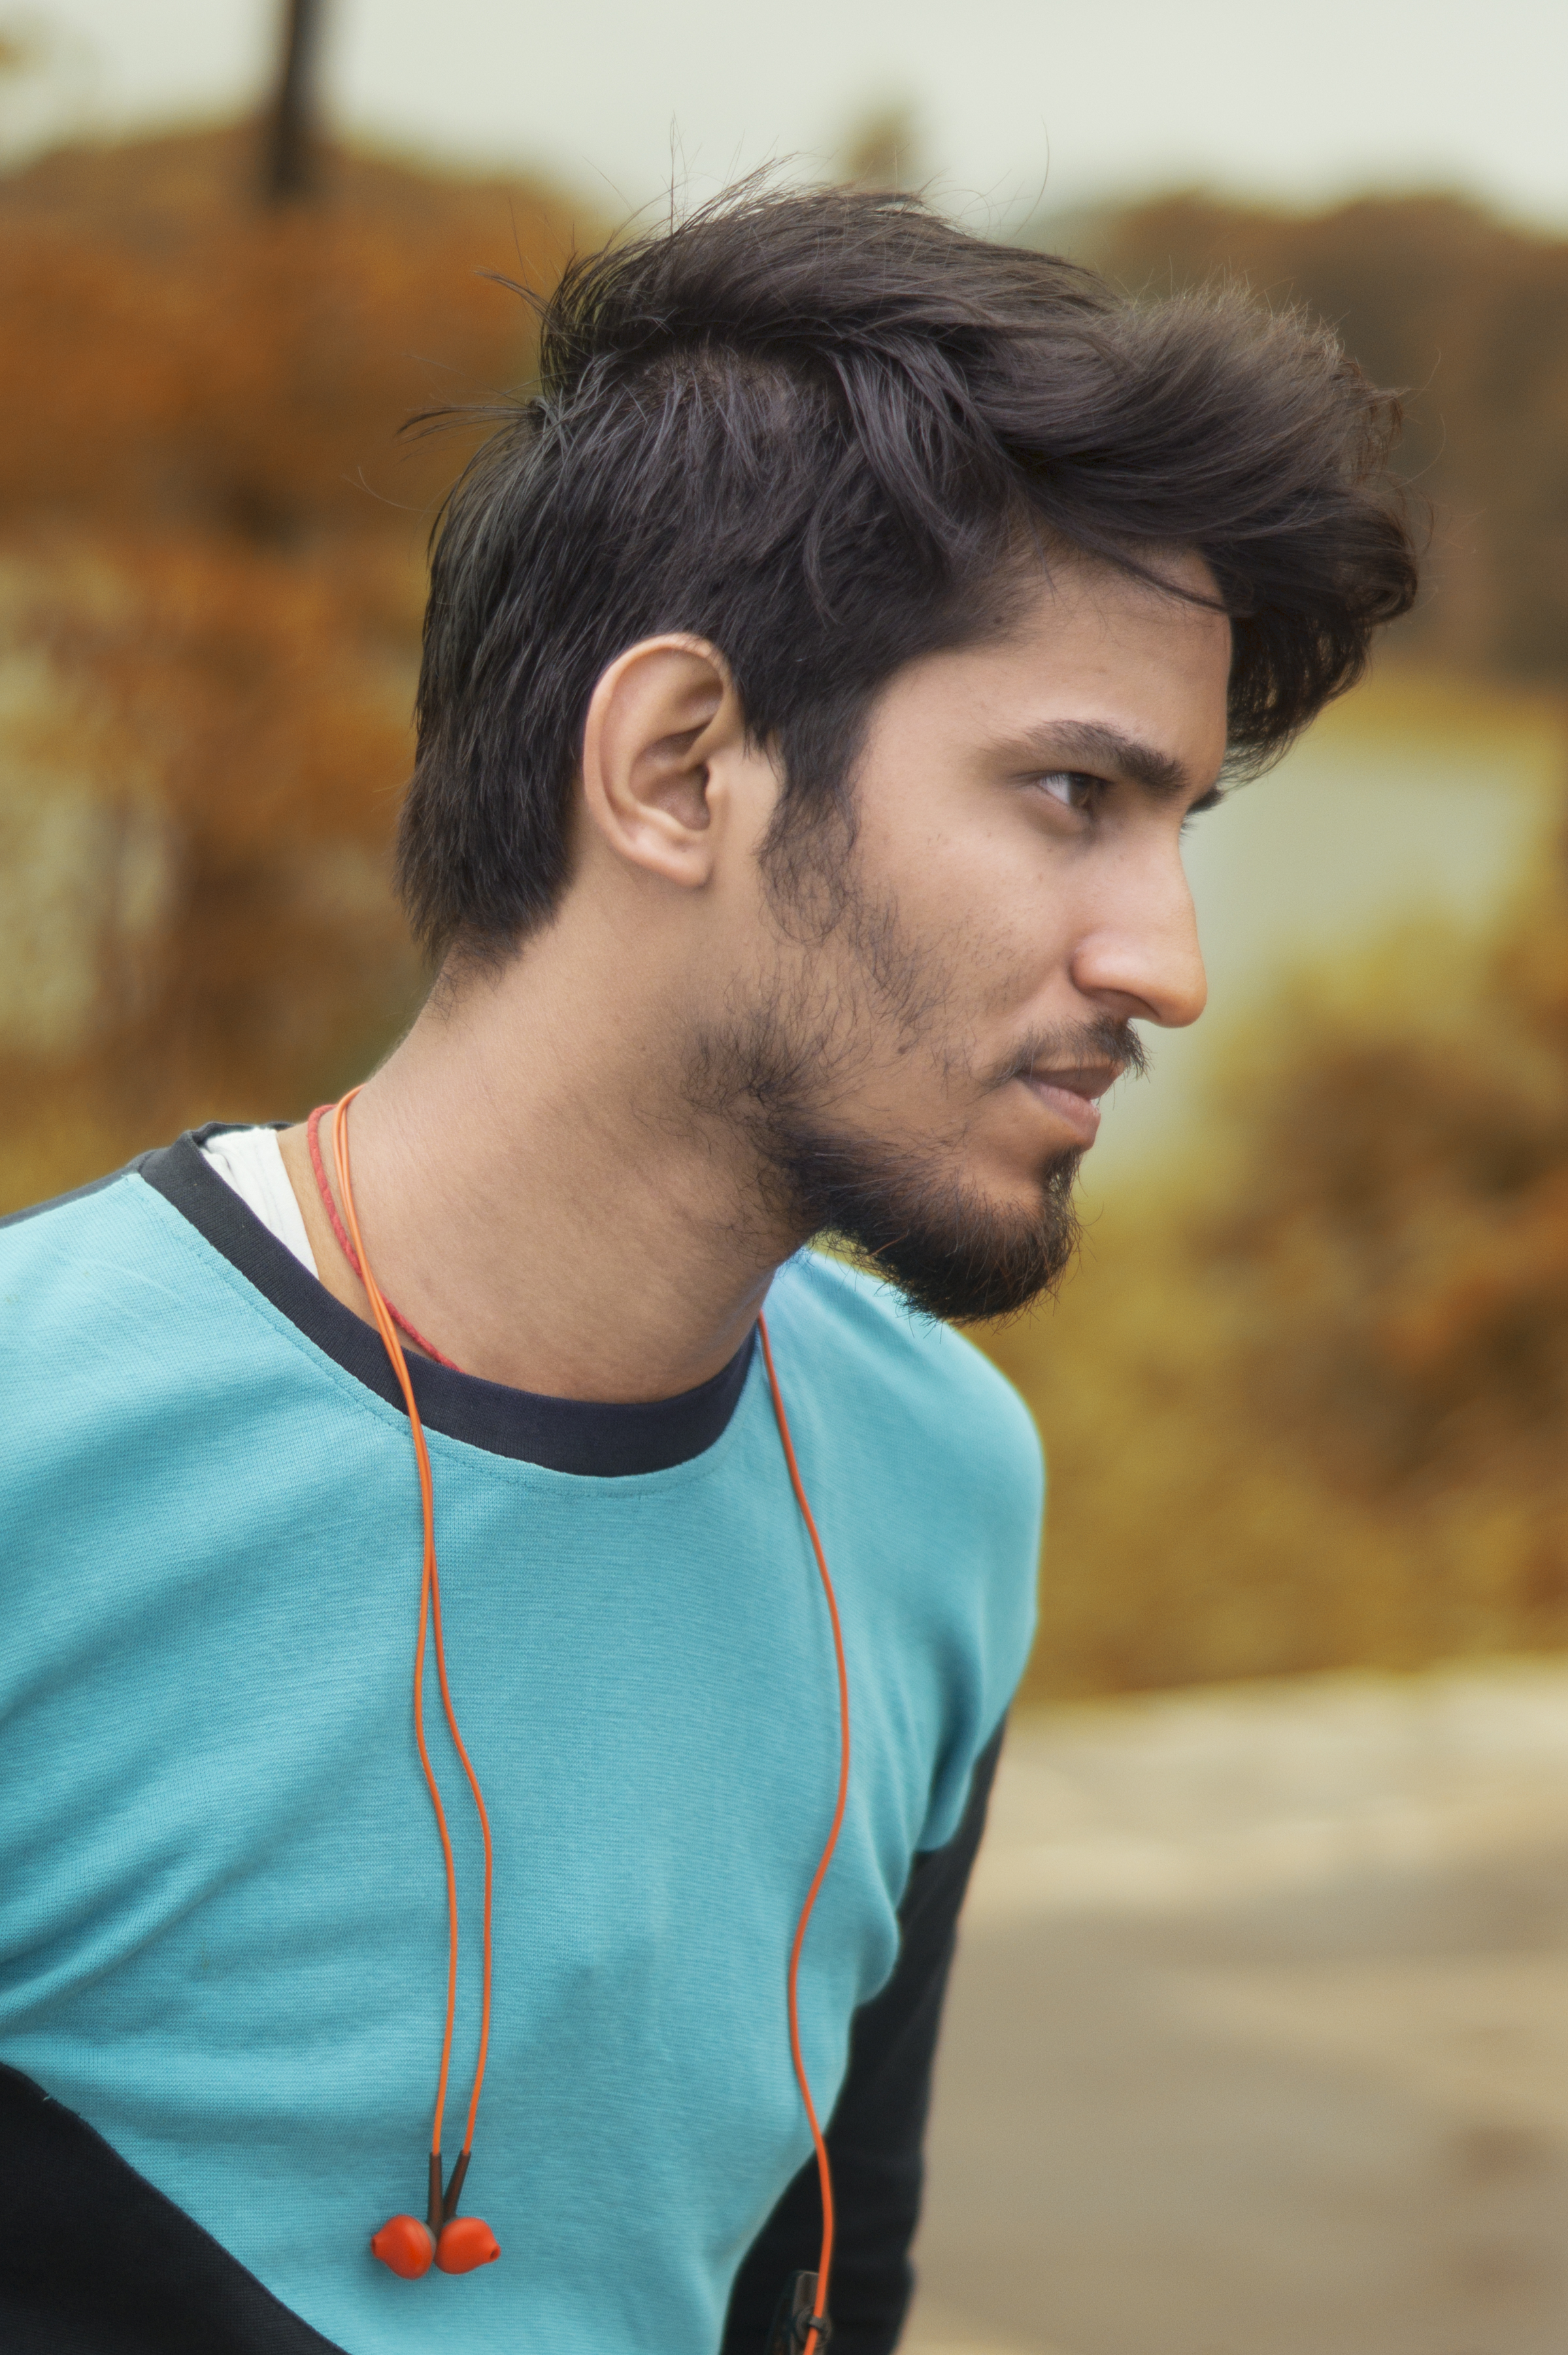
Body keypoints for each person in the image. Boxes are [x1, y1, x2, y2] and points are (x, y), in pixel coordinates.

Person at [0, 182, 1416, 2355]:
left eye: (1180, 825)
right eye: (1073, 793)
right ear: (678, 767)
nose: (1169, 962)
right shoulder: (41, 1441)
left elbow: (829, 2285)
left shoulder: (944, 1483)